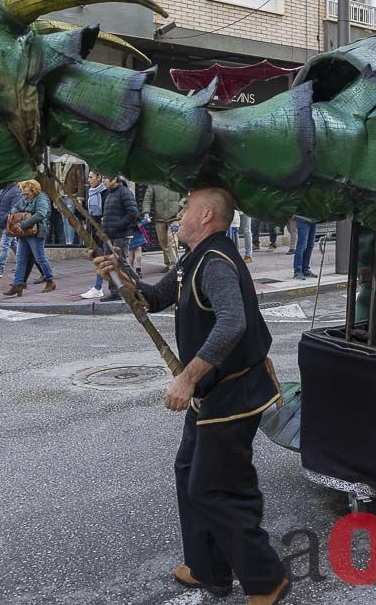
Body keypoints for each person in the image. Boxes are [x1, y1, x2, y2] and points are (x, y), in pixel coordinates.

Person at [92, 188, 289, 604]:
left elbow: (233, 322)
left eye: (185, 208)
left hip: (234, 393)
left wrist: (188, 377)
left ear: (205, 215)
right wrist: (120, 272)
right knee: (188, 471)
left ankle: (267, 578)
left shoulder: (216, 262)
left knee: (217, 487)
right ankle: (209, 569)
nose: (179, 214)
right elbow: (157, 298)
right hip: (211, 393)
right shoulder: (194, 258)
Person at [3, 180, 55, 297]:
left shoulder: (41, 198)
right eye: (22, 193)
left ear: (34, 191)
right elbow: (15, 208)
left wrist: (22, 224)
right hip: (24, 234)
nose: (23, 196)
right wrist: (16, 214)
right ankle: (17, 285)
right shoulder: (25, 199)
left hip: (36, 233)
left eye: (26, 193)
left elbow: (41, 214)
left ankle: (50, 280)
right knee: (20, 259)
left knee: (40, 258)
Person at [98, 176, 141, 300]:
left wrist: (118, 225)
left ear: (115, 179)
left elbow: (133, 213)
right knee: (110, 264)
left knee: (122, 263)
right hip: (109, 236)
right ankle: (114, 292)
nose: (104, 181)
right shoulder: (108, 194)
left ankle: (140, 286)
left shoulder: (125, 192)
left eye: (106, 178)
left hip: (121, 235)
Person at [80, 172, 110, 300]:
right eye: (88, 177)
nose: (89, 180)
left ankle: (98, 288)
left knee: (104, 260)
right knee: (103, 259)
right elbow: (89, 215)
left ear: (99, 178)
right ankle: (99, 288)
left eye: (91, 177)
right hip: (95, 231)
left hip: (104, 232)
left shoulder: (105, 193)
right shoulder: (92, 193)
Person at [0, 183, 25, 278]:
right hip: (4, 222)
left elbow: (15, 209)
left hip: (9, 223)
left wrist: (5, 218)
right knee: (13, 244)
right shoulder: (3, 189)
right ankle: (23, 263)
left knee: (4, 245)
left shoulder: (15, 191)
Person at [143, 183, 183, 272]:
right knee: (163, 243)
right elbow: (147, 199)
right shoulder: (154, 183)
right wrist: (146, 212)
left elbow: (184, 196)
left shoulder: (175, 180)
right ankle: (168, 264)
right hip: (159, 219)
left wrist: (179, 207)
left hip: (174, 218)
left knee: (172, 241)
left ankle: (174, 266)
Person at [292, 215, 317, 280]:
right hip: (302, 218)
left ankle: (305, 269)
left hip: (313, 219)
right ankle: (297, 271)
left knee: (310, 245)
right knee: (302, 245)